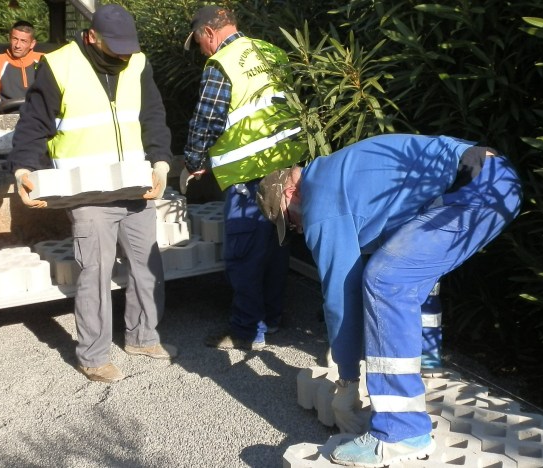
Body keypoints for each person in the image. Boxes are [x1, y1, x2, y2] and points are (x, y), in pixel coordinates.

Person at [257, 134, 522, 466]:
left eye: (291, 220)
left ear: (290, 193)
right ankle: (426, 363)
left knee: (385, 280)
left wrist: (347, 380)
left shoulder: (319, 199)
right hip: (493, 178)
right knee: (407, 268)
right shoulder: (338, 175)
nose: (298, 228)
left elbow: (340, 295)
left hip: (476, 186)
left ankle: (401, 433)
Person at [8, 4, 176, 383]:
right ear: (91, 37)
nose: (123, 56)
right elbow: (34, 123)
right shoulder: (60, 65)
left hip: (135, 188)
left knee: (147, 267)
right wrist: (22, 169)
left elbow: (152, 117)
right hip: (88, 194)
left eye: (128, 48)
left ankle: (143, 337)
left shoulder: (138, 64)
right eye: (115, 48)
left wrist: (161, 162)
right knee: (95, 275)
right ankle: (93, 356)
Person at [181, 6, 307, 351]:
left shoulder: (221, 64)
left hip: (247, 174)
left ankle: (247, 330)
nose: (202, 51)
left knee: (245, 254)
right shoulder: (272, 52)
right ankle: (272, 318)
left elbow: (206, 121)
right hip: (284, 169)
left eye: (199, 42)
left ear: (209, 33)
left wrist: (193, 162)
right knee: (276, 247)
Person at [0, 20, 43, 114]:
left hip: (38, 114)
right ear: (10, 39)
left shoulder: (44, 60)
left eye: (23, 41)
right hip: (7, 115)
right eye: (15, 39)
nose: (17, 45)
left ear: (32, 44)